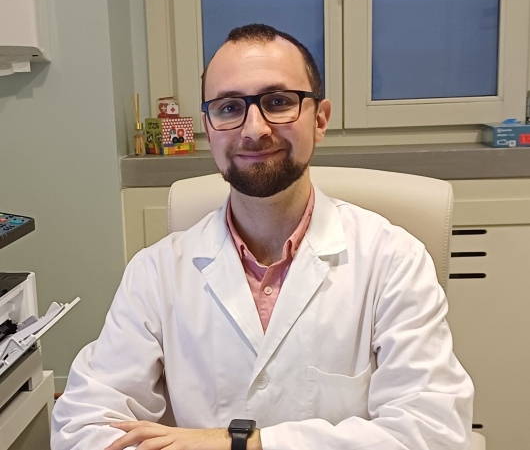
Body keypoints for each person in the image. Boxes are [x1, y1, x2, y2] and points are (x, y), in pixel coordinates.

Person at [51, 24, 473, 450]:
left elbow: (434, 433)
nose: (254, 129)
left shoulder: (393, 260)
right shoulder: (155, 273)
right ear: (208, 127)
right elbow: (82, 426)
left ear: (320, 119)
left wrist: (241, 443)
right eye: (229, 107)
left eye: (278, 102)